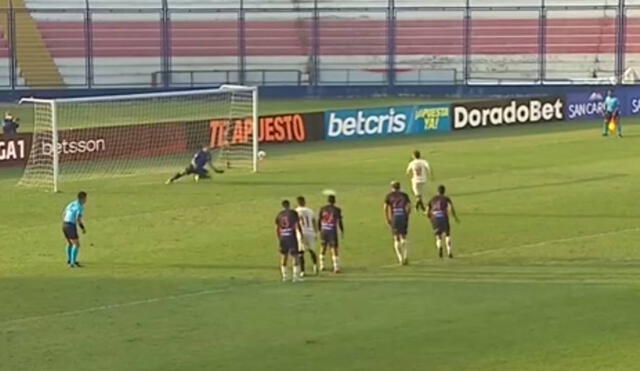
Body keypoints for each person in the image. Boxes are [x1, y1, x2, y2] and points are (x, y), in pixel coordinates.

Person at [427, 185, 459, 259]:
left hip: (435, 218)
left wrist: (430, 217)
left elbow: (427, 210)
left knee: (438, 236)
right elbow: (451, 208)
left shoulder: (432, 199)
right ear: (444, 191)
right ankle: (449, 251)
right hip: (443, 217)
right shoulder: (446, 198)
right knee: (447, 234)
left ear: (437, 191)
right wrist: (455, 217)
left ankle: (440, 247)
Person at [384, 181, 412, 265]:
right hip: (403, 216)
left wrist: (387, 218)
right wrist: (407, 215)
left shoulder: (389, 196)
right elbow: (409, 206)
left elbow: (385, 208)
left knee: (396, 237)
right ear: (399, 187)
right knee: (403, 236)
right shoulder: (404, 195)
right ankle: (406, 255)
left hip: (395, 217)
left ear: (392, 187)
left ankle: (400, 258)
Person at [275, 200, 304, 282]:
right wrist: (301, 234)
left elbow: (277, 228)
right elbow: (297, 224)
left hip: (283, 237)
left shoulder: (279, 214)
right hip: (291, 236)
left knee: (284, 256)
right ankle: (296, 277)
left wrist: (279, 237)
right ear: (289, 205)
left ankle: (285, 276)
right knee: (295, 256)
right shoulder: (293, 213)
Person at [318, 194, 344, 273]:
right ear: (334, 201)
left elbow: (319, 220)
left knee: (323, 246)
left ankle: (322, 265)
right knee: (334, 248)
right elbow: (339, 221)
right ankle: (336, 267)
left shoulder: (322, 209)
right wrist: (342, 230)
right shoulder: (337, 209)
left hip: (324, 229)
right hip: (332, 230)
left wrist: (319, 229)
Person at [62, 191, 88, 268]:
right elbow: (78, 219)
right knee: (76, 244)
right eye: (86, 198)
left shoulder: (71, 203)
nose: (86, 200)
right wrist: (82, 228)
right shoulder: (80, 207)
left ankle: (69, 260)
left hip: (64, 224)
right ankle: (72, 263)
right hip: (70, 225)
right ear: (83, 199)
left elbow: (64, 213)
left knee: (70, 243)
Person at [295, 196, 318, 276]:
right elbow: (314, 221)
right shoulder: (310, 210)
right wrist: (316, 232)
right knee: (312, 250)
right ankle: (315, 267)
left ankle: (302, 271)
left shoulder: (296, 211)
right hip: (310, 232)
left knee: (301, 252)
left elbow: (296, 223)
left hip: (301, 233)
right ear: (304, 202)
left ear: (298, 203)